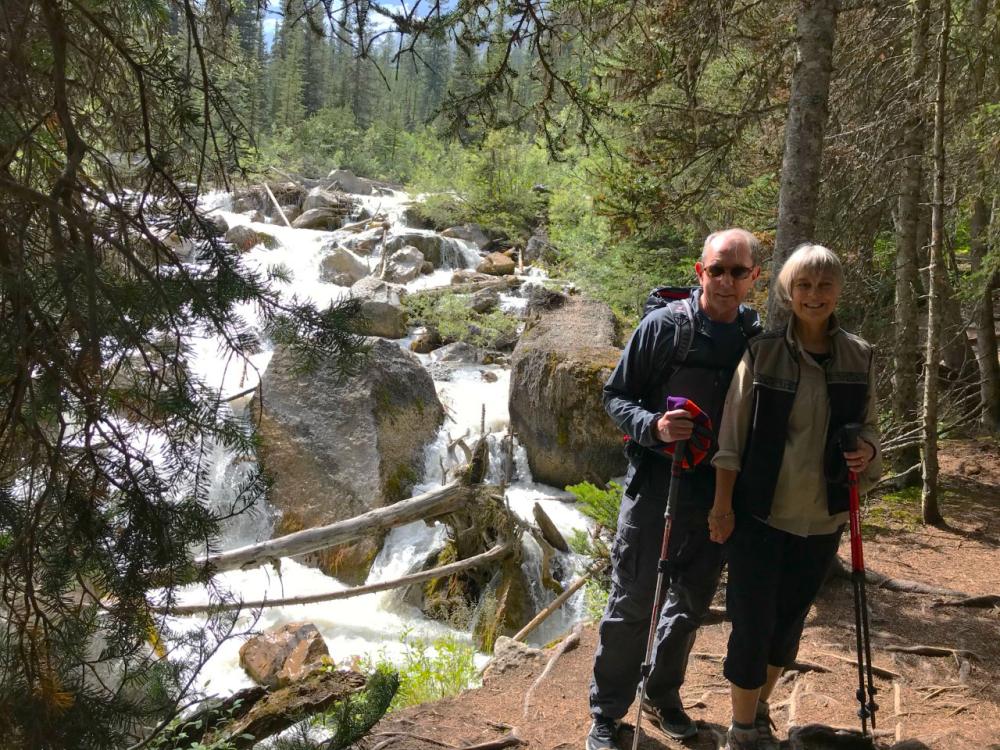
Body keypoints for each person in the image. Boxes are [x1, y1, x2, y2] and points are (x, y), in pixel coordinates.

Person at [587, 228, 762, 750]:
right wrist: (654, 428)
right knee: (633, 601)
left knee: (689, 604)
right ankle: (608, 711)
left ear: (755, 276)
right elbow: (615, 395)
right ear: (699, 271)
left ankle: (663, 695)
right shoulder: (663, 329)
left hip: (720, 494)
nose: (726, 281)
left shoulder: (758, 340)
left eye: (738, 271)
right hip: (656, 488)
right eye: (717, 270)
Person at [709, 243, 881, 750]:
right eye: (803, 285)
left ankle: (759, 710)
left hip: (822, 519)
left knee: (786, 627)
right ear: (788, 291)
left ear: (838, 292)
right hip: (761, 515)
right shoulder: (762, 353)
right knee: (751, 623)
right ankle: (741, 732)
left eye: (824, 285)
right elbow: (731, 439)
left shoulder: (859, 355)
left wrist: (867, 450)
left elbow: (871, 428)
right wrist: (722, 506)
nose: (814, 294)